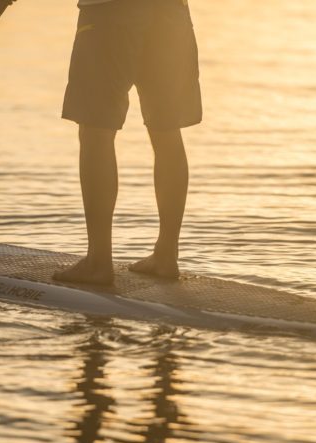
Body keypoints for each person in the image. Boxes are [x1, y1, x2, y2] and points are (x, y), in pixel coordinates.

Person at [52, 0, 202, 286]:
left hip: (112, 12)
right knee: (167, 130)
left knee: (96, 129)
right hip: (171, 13)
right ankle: (166, 255)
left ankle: (98, 261)